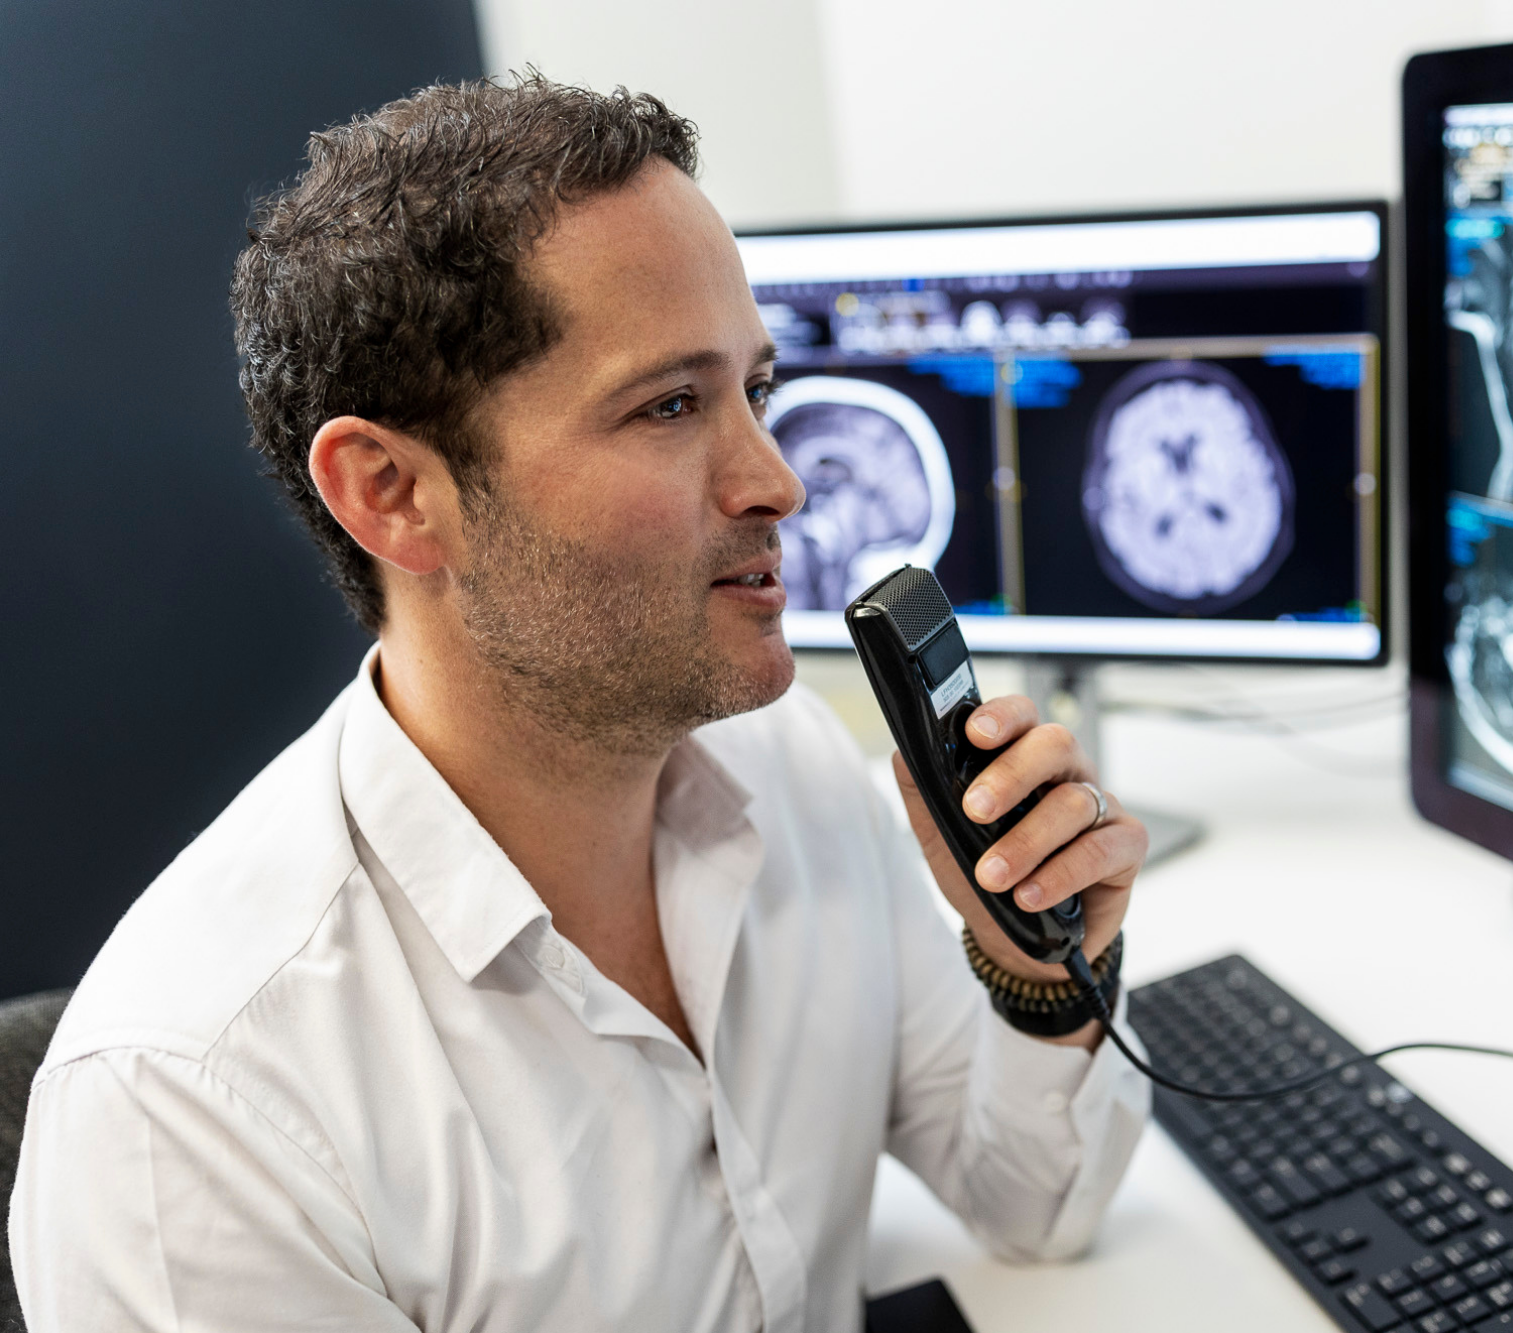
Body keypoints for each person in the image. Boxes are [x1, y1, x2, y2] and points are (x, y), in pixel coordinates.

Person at [8, 75, 1149, 1331]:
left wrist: (1033, 968)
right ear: (390, 491)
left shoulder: (795, 769)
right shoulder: (190, 1109)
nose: (779, 482)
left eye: (753, 394)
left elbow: (1035, 1202)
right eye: (668, 406)